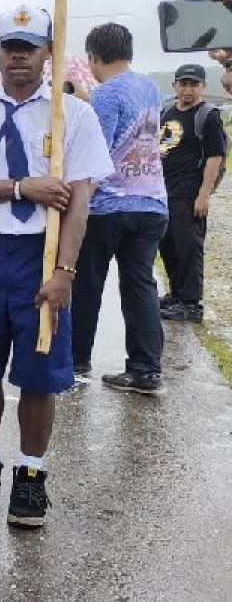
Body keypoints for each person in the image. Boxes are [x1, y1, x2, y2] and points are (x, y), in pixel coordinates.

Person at [0, 5, 112, 529]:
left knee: (39, 373)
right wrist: (19, 188)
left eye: (29, 46)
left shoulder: (73, 115)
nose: (18, 55)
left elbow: (79, 199)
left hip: (42, 255)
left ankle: (31, 475)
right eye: (9, 46)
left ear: (47, 54)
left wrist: (66, 272)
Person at [69, 24, 168, 393]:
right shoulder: (151, 87)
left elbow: (98, 154)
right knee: (140, 283)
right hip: (152, 201)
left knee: (87, 283)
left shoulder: (106, 96)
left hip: (109, 205)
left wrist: (77, 198)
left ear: (93, 56)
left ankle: (76, 360)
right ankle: (146, 369)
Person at [158, 63, 227, 323]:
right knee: (167, 245)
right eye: (183, 83)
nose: (188, 89)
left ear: (203, 87)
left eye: (193, 84)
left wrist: (204, 194)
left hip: (189, 192)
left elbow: (215, 157)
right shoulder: (167, 111)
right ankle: (176, 295)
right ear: (174, 85)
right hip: (165, 191)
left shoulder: (207, 115)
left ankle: (191, 303)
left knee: (189, 247)